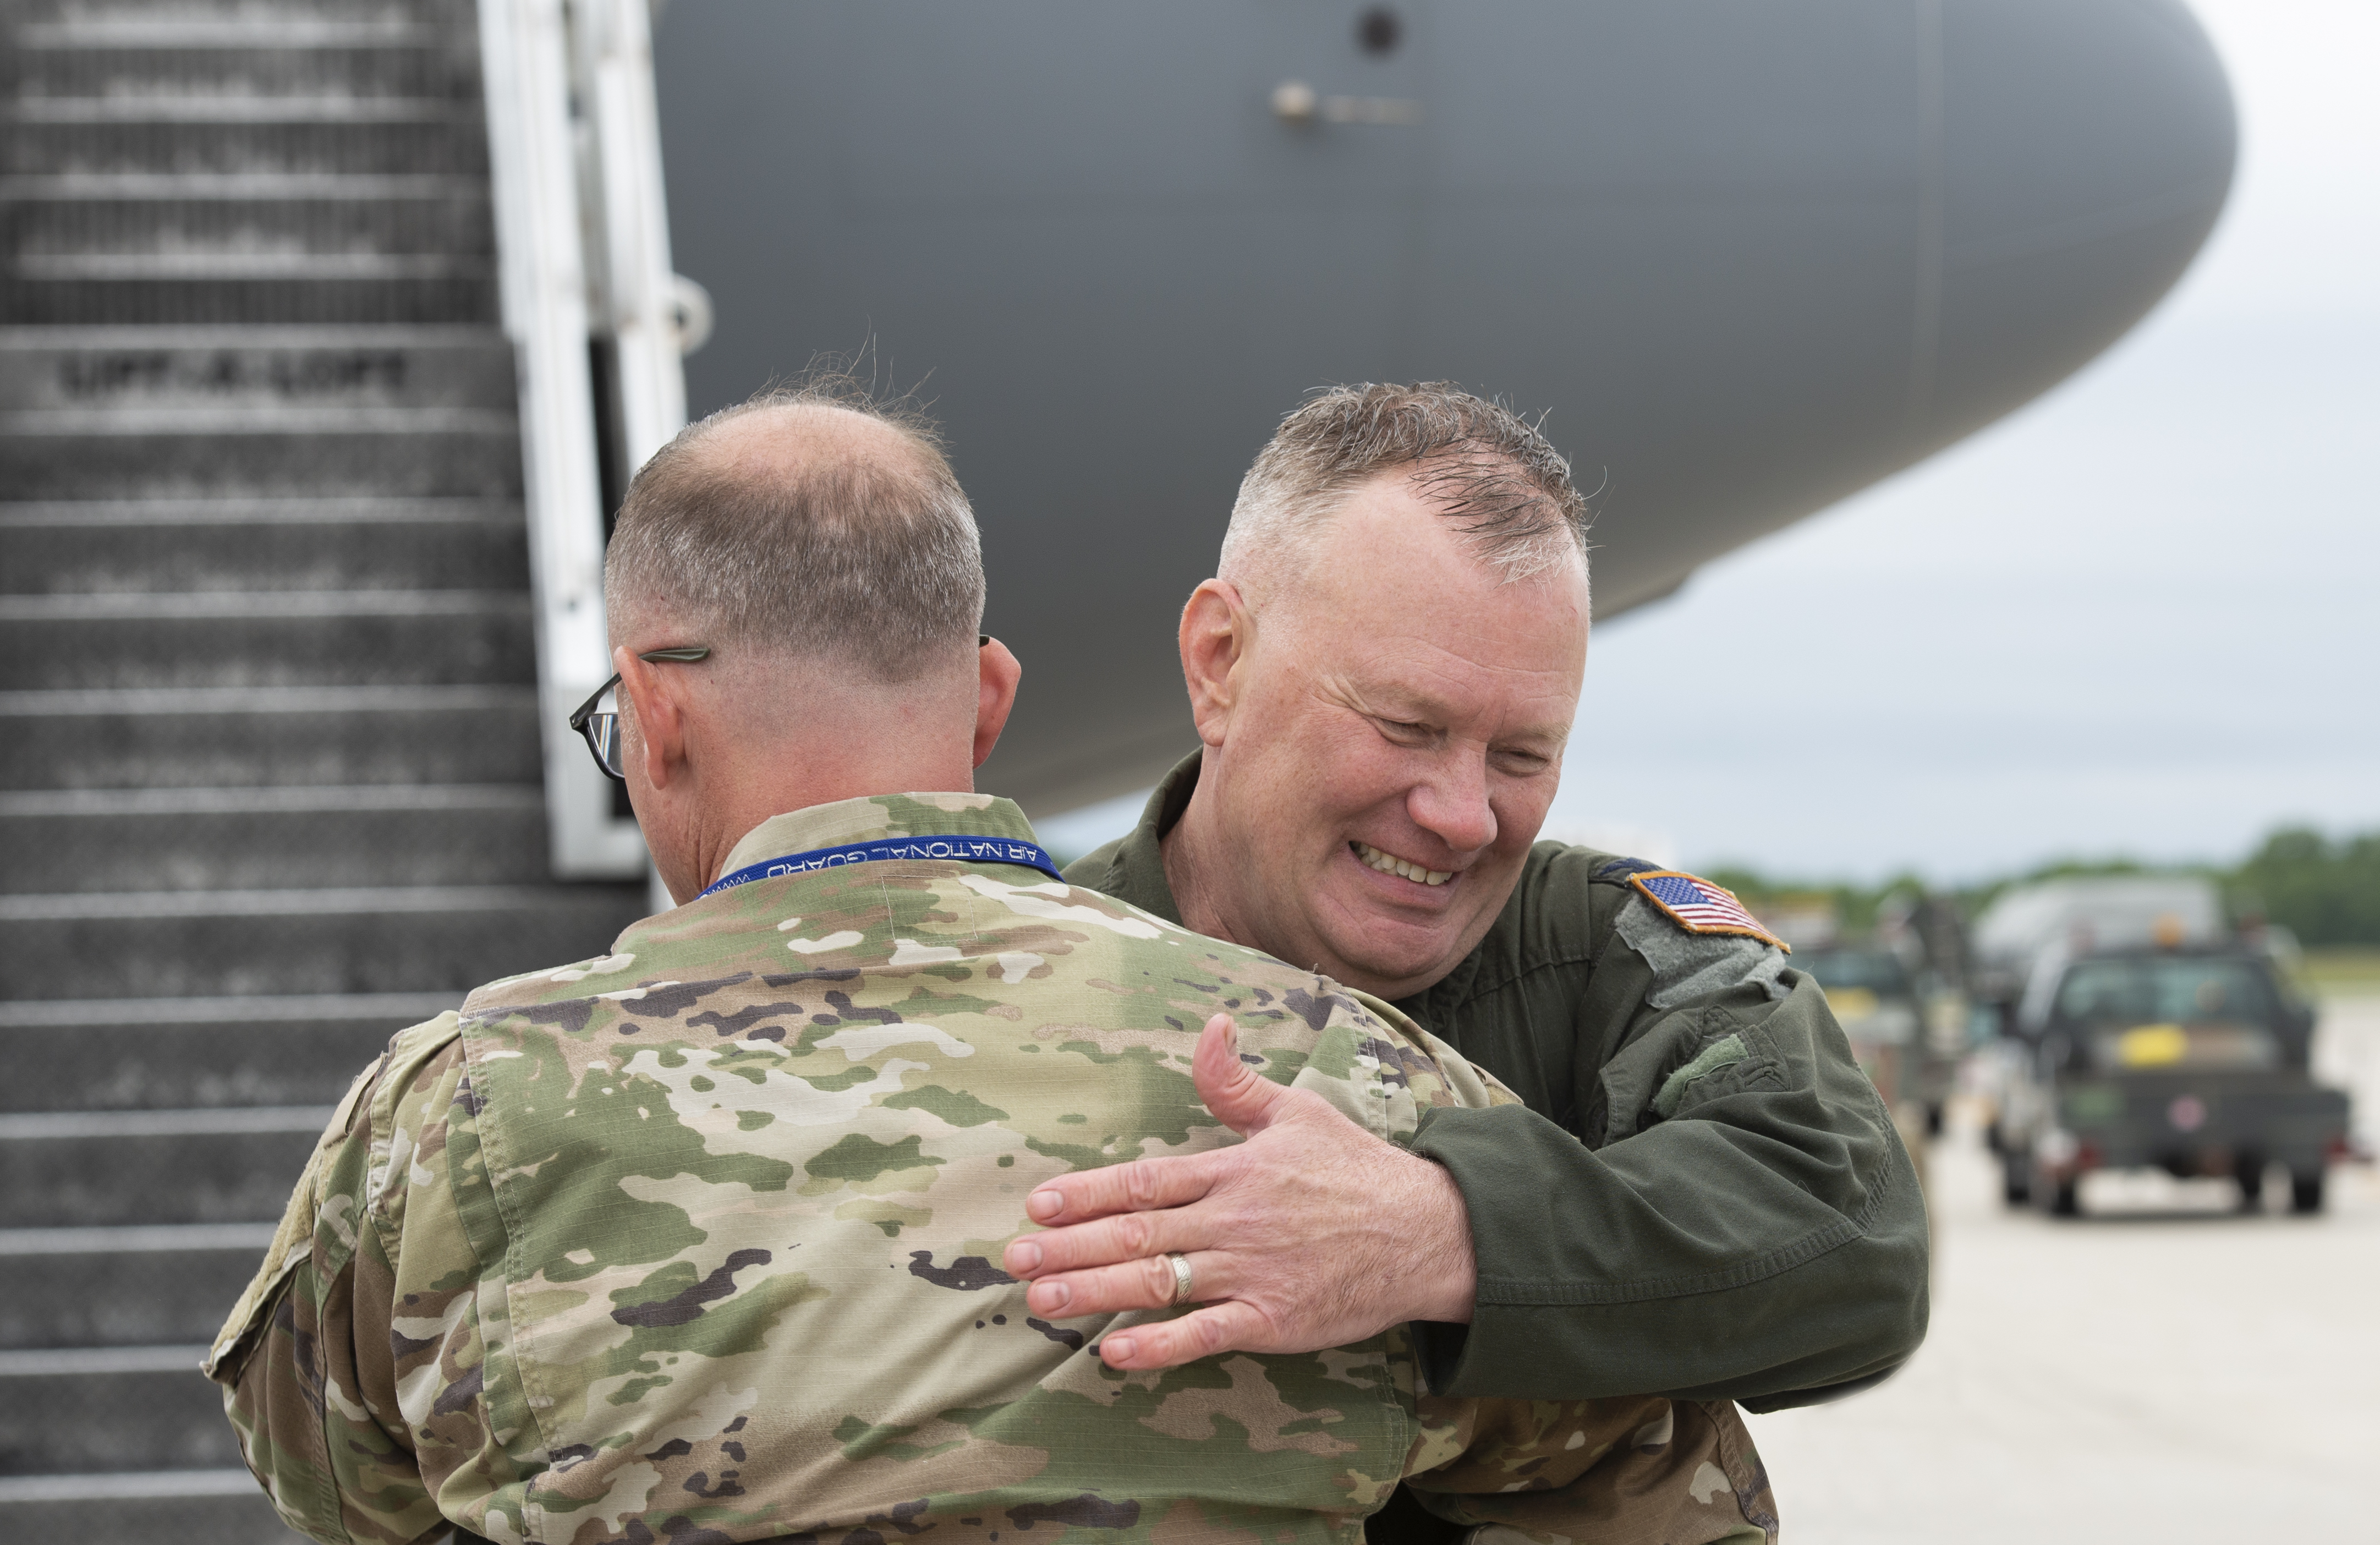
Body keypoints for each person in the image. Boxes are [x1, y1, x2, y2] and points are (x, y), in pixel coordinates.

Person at [204, 382, 1779, 1544]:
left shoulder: (451, 1123)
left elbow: (344, 1495)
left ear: (658, 717)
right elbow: (1677, 1500)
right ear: (990, 700)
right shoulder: (1340, 1096)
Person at [1010, 384, 1928, 1436]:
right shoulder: (1012, 979)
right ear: (1221, 663)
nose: (1462, 817)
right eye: (1406, 726)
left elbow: (1856, 1236)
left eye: (1523, 755)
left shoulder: (1602, 953)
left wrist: (1444, 1235)